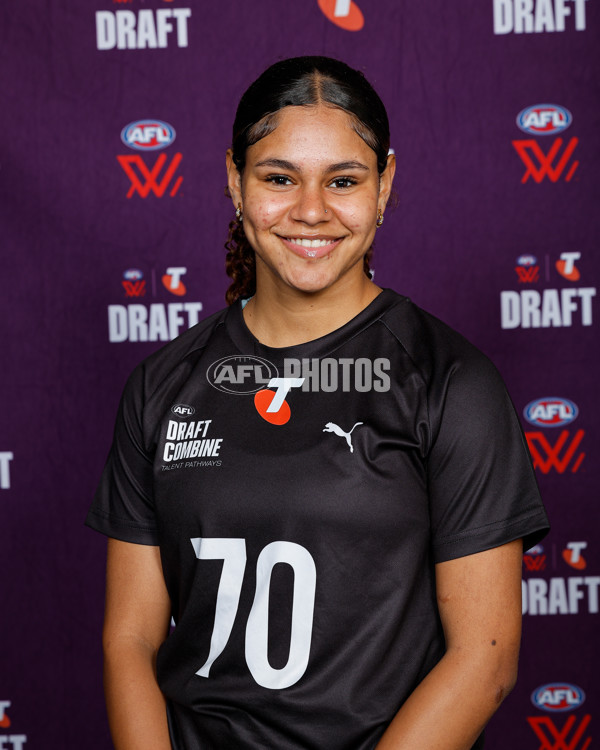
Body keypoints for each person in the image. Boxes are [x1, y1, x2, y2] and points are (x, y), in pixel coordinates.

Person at [86, 56, 549, 750]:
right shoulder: (162, 385)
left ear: (384, 184)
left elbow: (484, 661)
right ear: (234, 181)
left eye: (343, 180)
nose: (311, 210)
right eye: (279, 178)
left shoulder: (451, 382)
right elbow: (130, 638)